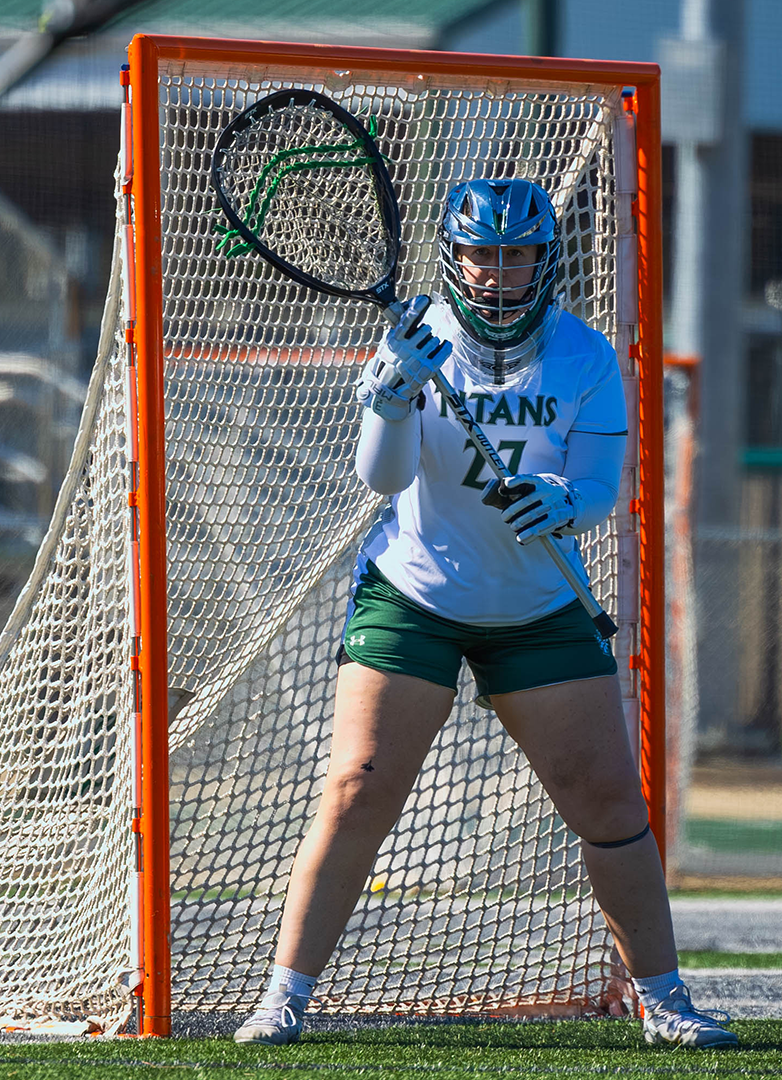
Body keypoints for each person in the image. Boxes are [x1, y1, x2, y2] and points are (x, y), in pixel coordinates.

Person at [231, 178, 735, 1051]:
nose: (499, 272)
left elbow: (598, 488)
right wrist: (387, 400)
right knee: (357, 787)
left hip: (538, 602)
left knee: (610, 798)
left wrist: (561, 499)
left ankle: (664, 998)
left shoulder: (583, 357)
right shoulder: (417, 339)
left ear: (544, 260)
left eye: (517, 255)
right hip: (415, 593)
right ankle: (283, 996)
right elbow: (383, 481)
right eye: (483, 255)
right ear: (457, 259)